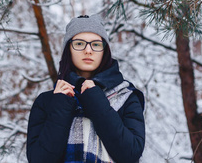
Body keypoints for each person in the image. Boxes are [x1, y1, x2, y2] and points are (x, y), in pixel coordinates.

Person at [27, 14, 145, 163]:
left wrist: (96, 100)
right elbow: (39, 160)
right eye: (79, 43)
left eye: (96, 44)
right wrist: (61, 105)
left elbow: (130, 154)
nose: (88, 50)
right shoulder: (47, 101)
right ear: (68, 49)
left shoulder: (126, 97)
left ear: (105, 51)